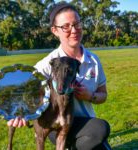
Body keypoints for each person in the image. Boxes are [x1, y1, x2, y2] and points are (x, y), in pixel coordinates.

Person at [7, 2, 111, 150]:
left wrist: (90, 96)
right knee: (99, 129)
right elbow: (20, 89)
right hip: (52, 122)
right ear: (55, 31)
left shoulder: (93, 60)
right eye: (66, 26)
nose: (74, 30)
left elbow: (103, 95)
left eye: (77, 24)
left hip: (85, 125)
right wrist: (16, 112)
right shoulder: (47, 64)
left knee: (99, 133)